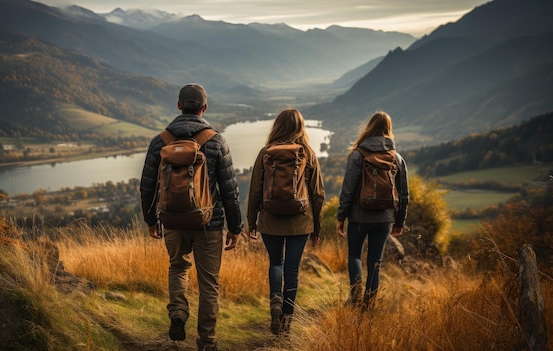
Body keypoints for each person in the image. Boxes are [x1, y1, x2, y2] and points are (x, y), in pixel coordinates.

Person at [140, 83, 243, 351]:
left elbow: (147, 185)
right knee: (209, 282)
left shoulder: (159, 142)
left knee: (178, 267)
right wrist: (235, 227)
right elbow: (230, 190)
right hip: (210, 223)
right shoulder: (217, 141)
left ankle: (178, 313)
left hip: (172, 220)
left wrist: (151, 220)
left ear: (178, 106)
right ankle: (207, 341)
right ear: (204, 108)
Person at [247, 108, 325, 334]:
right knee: (292, 269)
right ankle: (286, 320)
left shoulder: (266, 152)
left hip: (270, 220)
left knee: (275, 263)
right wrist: (317, 227)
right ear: (300, 127)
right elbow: (318, 193)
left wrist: (252, 222)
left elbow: (255, 191)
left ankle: (275, 302)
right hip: (300, 222)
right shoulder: (307, 153)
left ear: (277, 126)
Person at [335, 111, 409, 311]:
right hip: (385, 218)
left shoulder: (358, 155)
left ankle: (355, 297)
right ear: (388, 130)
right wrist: (399, 221)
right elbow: (403, 194)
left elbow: (348, 189)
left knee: (355, 256)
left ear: (369, 128)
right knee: (376, 261)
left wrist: (341, 216)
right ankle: (369, 305)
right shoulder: (397, 158)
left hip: (359, 217)